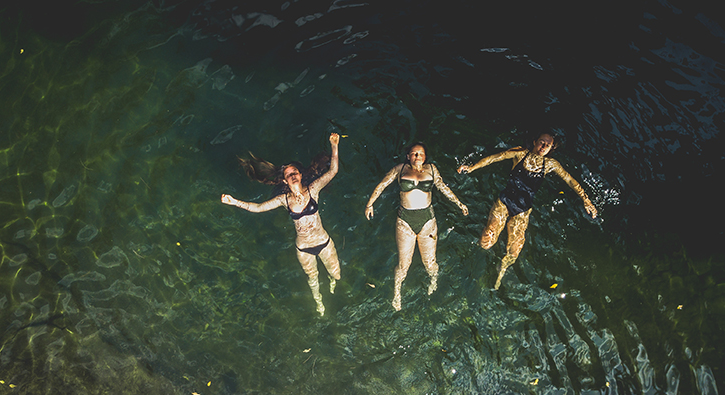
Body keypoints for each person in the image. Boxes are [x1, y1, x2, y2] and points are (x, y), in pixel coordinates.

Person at [221, 133, 341, 316]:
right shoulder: (283, 200)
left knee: (337, 275)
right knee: (313, 279)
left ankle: (332, 284)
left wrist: (334, 146)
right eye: (288, 175)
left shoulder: (313, 189)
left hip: (323, 242)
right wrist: (234, 202)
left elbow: (332, 171)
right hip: (303, 249)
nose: (292, 176)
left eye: (295, 173)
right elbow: (259, 207)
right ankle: (319, 302)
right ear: (285, 180)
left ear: (300, 175)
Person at [457, 133, 597, 289]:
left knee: (513, 252)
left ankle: (499, 274)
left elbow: (570, 180)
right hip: (504, 202)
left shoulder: (551, 164)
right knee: (487, 239)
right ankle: (473, 262)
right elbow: (495, 157)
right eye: (541, 142)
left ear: (551, 149)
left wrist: (586, 200)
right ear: (535, 142)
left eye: (547, 145)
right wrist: (471, 167)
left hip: (522, 210)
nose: (543, 147)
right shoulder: (520, 153)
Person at [365, 143, 469, 310]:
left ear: (425, 156)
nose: (417, 156)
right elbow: (383, 184)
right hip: (405, 221)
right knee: (403, 264)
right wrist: (370, 204)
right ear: (408, 156)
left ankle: (433, 282)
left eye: (420, 154)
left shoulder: (432, 170)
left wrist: (459, 203)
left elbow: (442, 187)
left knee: (430, 262)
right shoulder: (400, 169)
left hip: (427, 220)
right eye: (413, 154)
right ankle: (397, 293)